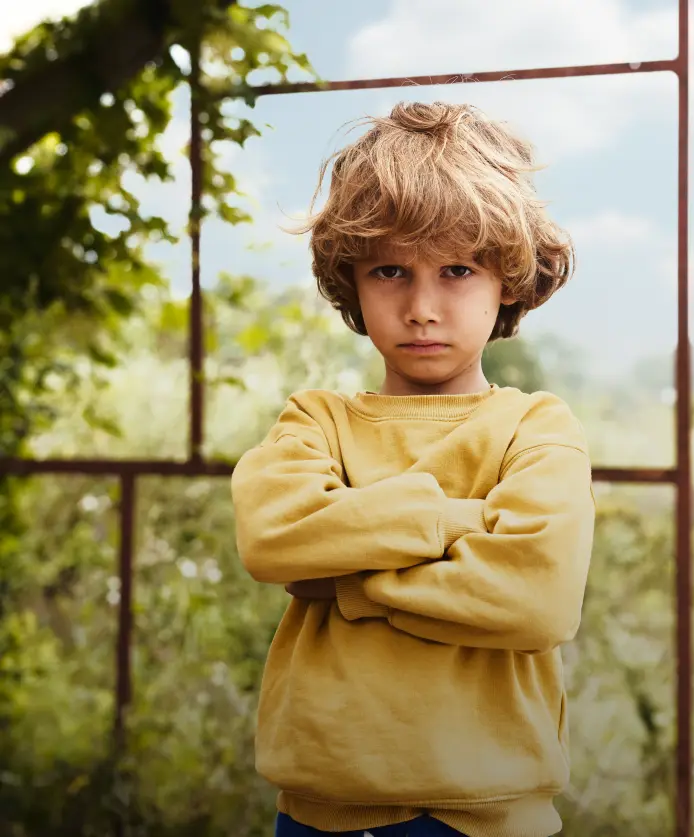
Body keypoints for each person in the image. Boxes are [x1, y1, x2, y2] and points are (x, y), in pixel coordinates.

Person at [231, 101, 596, 837]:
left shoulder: (534, 425)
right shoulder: (315, 420)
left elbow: (537, 602)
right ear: (352, 285)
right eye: (390, 270)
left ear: (508, 281)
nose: (422, 306)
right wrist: (455, 520)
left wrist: (346, 574)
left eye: (457, 269)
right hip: (318, 814)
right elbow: (272, 542)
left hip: (492, 815)